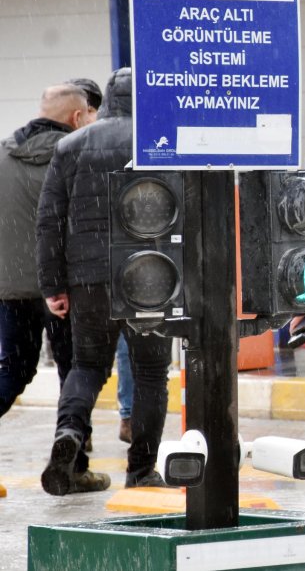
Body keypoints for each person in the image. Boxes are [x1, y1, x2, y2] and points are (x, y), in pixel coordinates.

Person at [36, 68, 172, 494]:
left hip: (88, 279)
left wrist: (53, 285)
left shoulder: (71, 144)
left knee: (87, 366)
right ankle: (141, 470)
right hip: (150, 276)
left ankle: (71, 434)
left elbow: (49, 220)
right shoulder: (160, 140)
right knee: (151, 373)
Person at [0, 84, 94, 419]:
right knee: (75, 372)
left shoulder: (3, 154)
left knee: (13, 371)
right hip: (64, 288)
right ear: (77, 116)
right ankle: (71, 459)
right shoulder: (78, 157)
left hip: (12, 290)